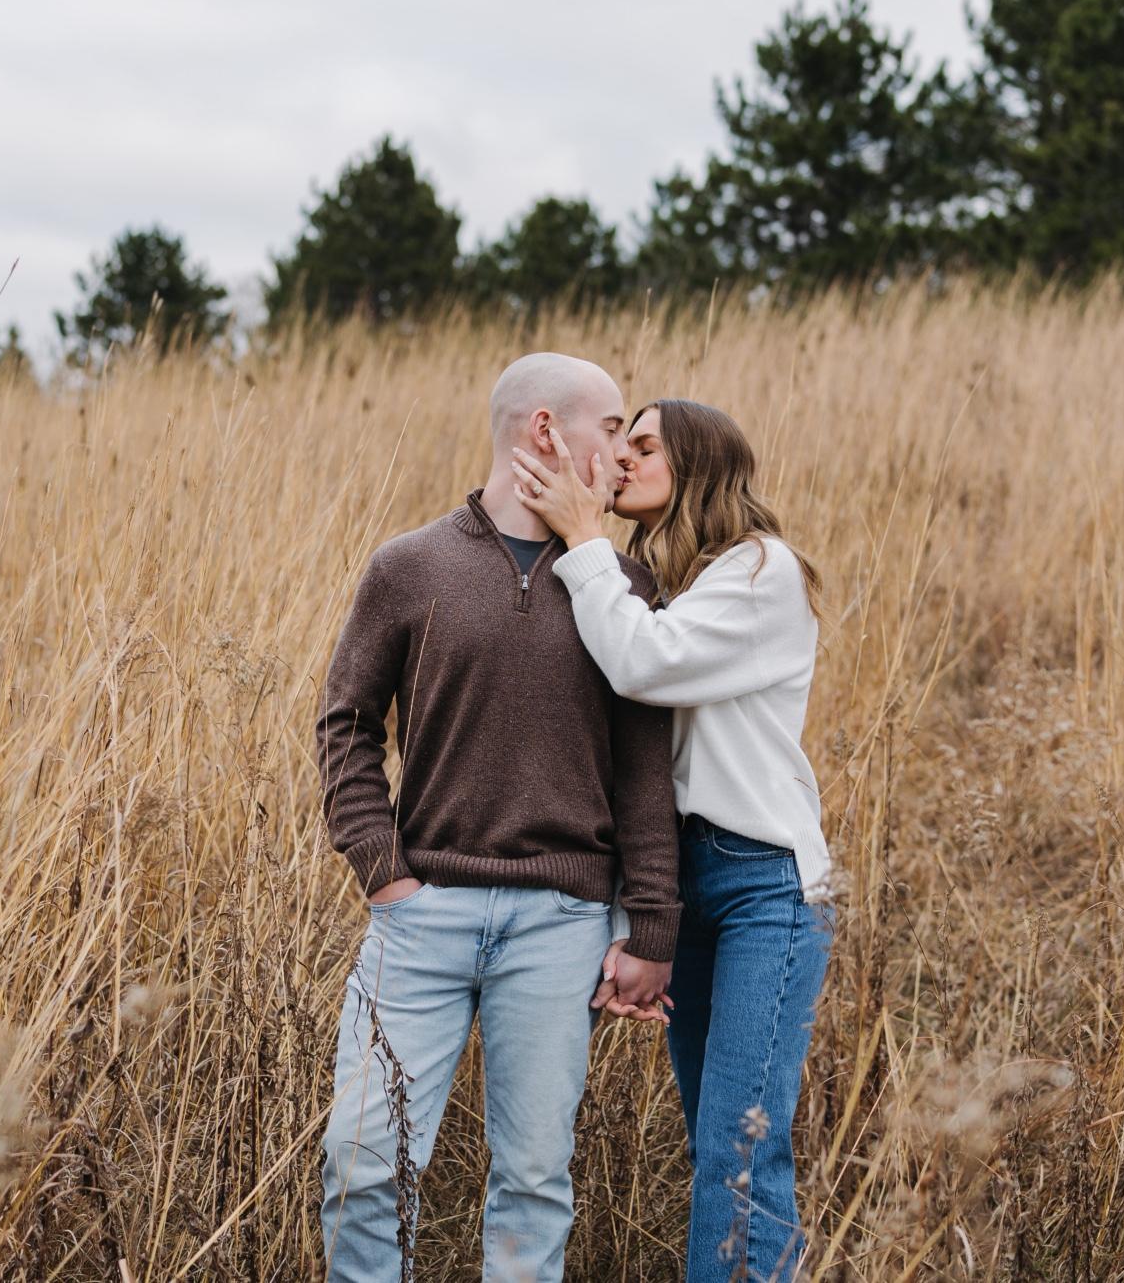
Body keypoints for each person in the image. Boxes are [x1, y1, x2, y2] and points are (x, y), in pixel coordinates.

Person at [315, 352, 681, 1282]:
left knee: (531, 1177)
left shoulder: (623, 593)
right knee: (364, 1166)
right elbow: (347, 727)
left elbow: (646, 775)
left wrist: (653, 926)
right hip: (420, 914)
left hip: (559, 927)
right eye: (611, 431)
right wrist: (385, 872)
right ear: (546, 432)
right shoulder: (408, 566)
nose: (623, 457)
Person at [510, 397, 837, 1282]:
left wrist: (581, 541)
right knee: (717, 1148)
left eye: (644, 446)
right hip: (685, 883)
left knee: (741, 1155)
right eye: (622, 443)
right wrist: (639, 912)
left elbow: (643, 665)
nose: (622, 462)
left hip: (763, 884)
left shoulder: (761, 570)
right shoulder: (663, 583)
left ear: (696, 465)